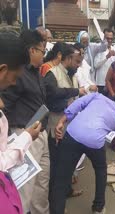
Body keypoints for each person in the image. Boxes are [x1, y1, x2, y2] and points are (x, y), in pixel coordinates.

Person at [50, 93, 115, 214]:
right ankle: (98, 207)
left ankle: (57, 210)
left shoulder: (97, 96)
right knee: (101, 170)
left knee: (62, 174)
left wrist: (62, 121)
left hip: (73, 134)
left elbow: (78, 103)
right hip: (94, 142)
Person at [0, 29, 50, 214]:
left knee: (41, 188)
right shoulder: (18, 75)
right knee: (24, 192)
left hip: (36, 134)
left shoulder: (36, 73)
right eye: (42, 50)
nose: (44, 55)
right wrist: (22, 136)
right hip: (23, 135)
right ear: (31, 50)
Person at [44, 44, 86, 201]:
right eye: (76, 61)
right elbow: (50, 101)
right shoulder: (52, 74)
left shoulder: (72, 75)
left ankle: (67, 190)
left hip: (70, 129)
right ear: (68, 59)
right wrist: (67, 105)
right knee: (56, 167)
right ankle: (55, 202)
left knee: (68, 163)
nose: (78, 65)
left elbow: (74, 99)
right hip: (56, 129)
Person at [94, 29, 115, 94]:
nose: (109, 40)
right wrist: (106, 57)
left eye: (111, 39)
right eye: (107, 38)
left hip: (111, 84)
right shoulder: (98, 48)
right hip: (101, 84)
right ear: (103, 38)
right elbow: (96, 65)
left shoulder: (114, 49)